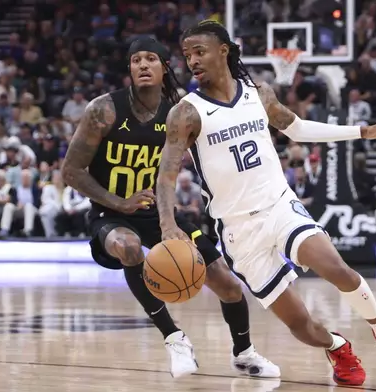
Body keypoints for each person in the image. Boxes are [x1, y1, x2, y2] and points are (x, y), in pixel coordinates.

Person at [156, 21, 376, 387]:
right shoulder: (186, 112)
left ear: (224, 49)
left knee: (337, 268)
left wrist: (362, 131)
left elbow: (297, 128)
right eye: (187, 54)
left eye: (199, 51)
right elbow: (167, 175)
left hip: (278, 205)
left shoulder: (258, 92)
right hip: (238, 229)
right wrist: (167, 225)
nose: (192, 60)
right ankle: (338, 346)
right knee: (300, 324)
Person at [61, 37, 278, 379]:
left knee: (228, 284)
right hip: (111, 212)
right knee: (128, 248)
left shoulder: (179, 111)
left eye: (150, 59)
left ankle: (245, 352)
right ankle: (174, 338)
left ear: (165, 68)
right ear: (130, 68)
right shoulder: (104, 110)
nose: (142, 65)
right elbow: (70, 171)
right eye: (136, 60)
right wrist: (119, 202)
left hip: (158, 211)